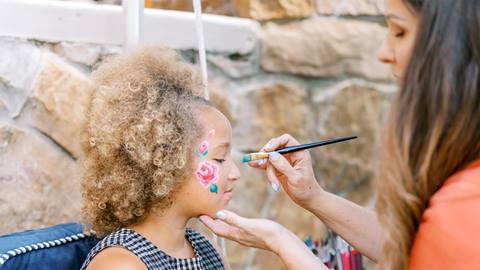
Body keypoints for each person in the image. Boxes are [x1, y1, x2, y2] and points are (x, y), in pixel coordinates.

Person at [200, 0, 480, 269]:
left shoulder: (461, 207)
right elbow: (408, 245)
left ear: (451, 46)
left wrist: (280, 240)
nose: (384, 52)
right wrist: (314, 197)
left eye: (400, 32)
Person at [80, 47, 240, 270]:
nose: (235, 174)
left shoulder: (208, 251)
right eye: (220, 159)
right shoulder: (121, 264)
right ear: (169, 161)